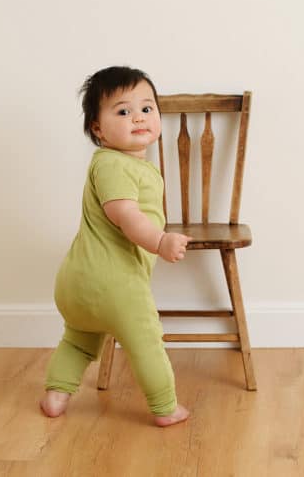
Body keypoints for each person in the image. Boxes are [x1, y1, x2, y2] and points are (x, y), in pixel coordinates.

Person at [39, 66, 191, 427]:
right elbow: (126, 216)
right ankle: (165, 406)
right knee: (146, 342)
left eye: (147, 108)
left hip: (75, 282)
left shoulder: (118, 164)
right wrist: (160, 241)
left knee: (78, 340)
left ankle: (56, 395)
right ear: (97, 128)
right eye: (123, 111)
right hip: (115, 284)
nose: (138, 117)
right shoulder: (113, 166)